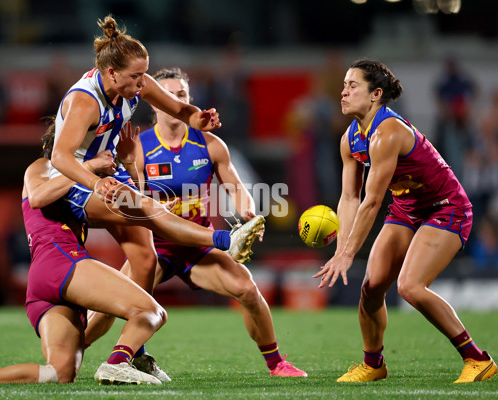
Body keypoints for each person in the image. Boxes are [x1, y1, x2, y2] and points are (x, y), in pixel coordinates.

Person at [85, 67, 307, 378]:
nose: (175, 100)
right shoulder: (139, 146)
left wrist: (249, 215)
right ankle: (70, 354)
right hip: (153, 247)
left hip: (197, 247)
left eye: (182, 95)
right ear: (155, 101)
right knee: (111, 305)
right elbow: (126, 198)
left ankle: (277, 364)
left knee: (247, 289)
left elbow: (236, 187)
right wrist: (154, 201)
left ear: (190, 101)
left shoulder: (210, 144)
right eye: (169, 95)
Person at [0, 139, 167, 386]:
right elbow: (38, 196)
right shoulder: (43, 166)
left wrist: (132, 169)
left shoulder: (81, 181)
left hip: (48, 281)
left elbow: (135, 214)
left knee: (59, 373)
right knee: (151, 311)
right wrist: (88, 167)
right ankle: (118, 361)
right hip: (61, 263)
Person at [49, 15, 264, 295]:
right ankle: (225, 240)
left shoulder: (136, 83)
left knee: (145, 262)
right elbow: (60, 158)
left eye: (144, 74)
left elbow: (182, 111)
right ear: (112, 73)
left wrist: (201, 119)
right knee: (153, 209)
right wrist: (96, 182)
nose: (142, 84)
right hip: (75, 182)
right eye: (136, 77)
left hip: (107, 175)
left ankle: (129, 336)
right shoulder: (85, 101)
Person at [313, 59, 497, 384]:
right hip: (407, 210)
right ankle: (374, 364)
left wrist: (347, 254)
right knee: (370, 288)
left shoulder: (387, 133)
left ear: (376, 94)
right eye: (344, 85)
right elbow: (349, 199)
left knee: (410, 287)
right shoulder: (350, 139)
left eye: (352, 85)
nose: (343, 92)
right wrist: (341, 248)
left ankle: (477, 359)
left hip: (447, 208)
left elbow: (371, 202)